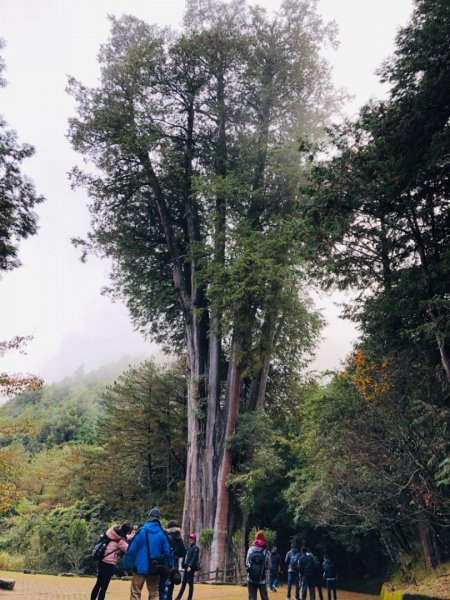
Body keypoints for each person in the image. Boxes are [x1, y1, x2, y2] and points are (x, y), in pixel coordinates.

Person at [123, 507, 173, 600]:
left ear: (149, 517)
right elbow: (168, 552)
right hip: (154, 568)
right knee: (154, 593)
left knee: (135, 593)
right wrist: (171, 565)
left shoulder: (141, 531)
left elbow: (131, 550)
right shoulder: (162, 533)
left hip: (139, 567)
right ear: (159, 518)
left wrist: (127, 565)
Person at [91, 521, 134, 600]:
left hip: (102, 561)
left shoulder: (110, 533)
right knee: (104, 587)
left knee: (98, 584)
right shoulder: (120, 542)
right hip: (109, 565)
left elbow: (123, 536)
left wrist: (130, 536)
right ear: (126, 532)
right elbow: (130, 550)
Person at [160, 520, 186, 600]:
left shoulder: (166, 537)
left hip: (165, 565)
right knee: (170, 589)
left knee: (162, 589)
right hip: (174, 567)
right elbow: (183, 553)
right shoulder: (179, 539)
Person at [246, 530, 271, 600]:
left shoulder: (250, 549)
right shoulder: (266, 551)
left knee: (252, 598)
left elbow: (246, 562)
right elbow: (269, 566)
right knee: (264, 597)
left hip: (251, 578)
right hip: (262, 579)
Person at [174, 533, 200, 600]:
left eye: (192, 538)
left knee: (190, 583)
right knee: (183, 583)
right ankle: (178, 597)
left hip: (190, 568)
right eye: (190, 538)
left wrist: (190, 566)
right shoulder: (188, 547)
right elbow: (185, 556)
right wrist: (183, 565)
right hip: (186, 567)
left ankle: (189, 598)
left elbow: (194, 558)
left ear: (195, 540)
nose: (190, 540)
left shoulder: (196, 548)